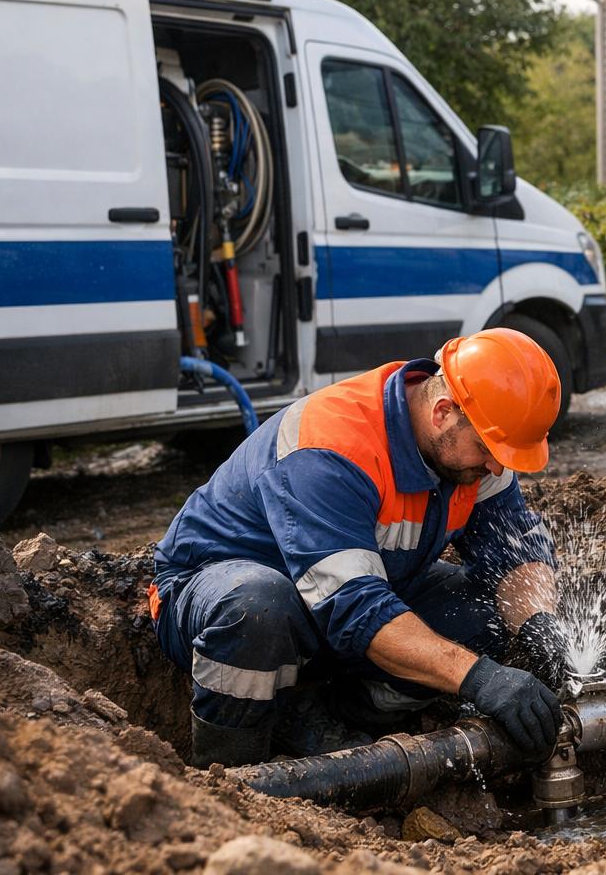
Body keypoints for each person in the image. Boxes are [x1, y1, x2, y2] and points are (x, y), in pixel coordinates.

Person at [151, 328, 571, 767]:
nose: (496, 466)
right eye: (488, 450)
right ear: (443, 411)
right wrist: (480, 678)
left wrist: (539, 623)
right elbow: (355, 608)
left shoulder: (475, 451)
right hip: (213, 594)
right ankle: (233, 769)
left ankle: (332, 716)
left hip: (338, 602)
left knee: (487, 609)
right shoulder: (332, 447)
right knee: (260, 605)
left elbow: (515, 552)